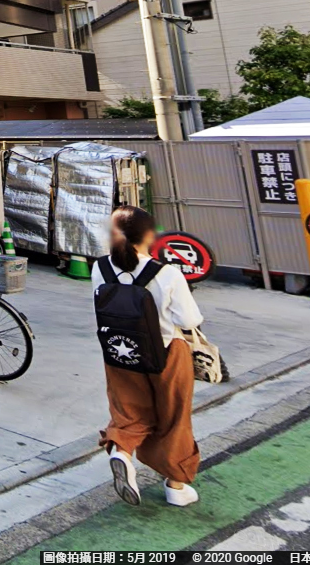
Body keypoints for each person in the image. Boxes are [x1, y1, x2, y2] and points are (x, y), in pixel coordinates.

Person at [97, 204, 204, 507]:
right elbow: (189, 320)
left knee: (128, 410)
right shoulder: (167, 273)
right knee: (173, 416)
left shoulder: (100, 268)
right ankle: (176, 485)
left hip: (119, 351)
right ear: (148, 235)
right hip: (167, 354)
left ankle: (122, 453)